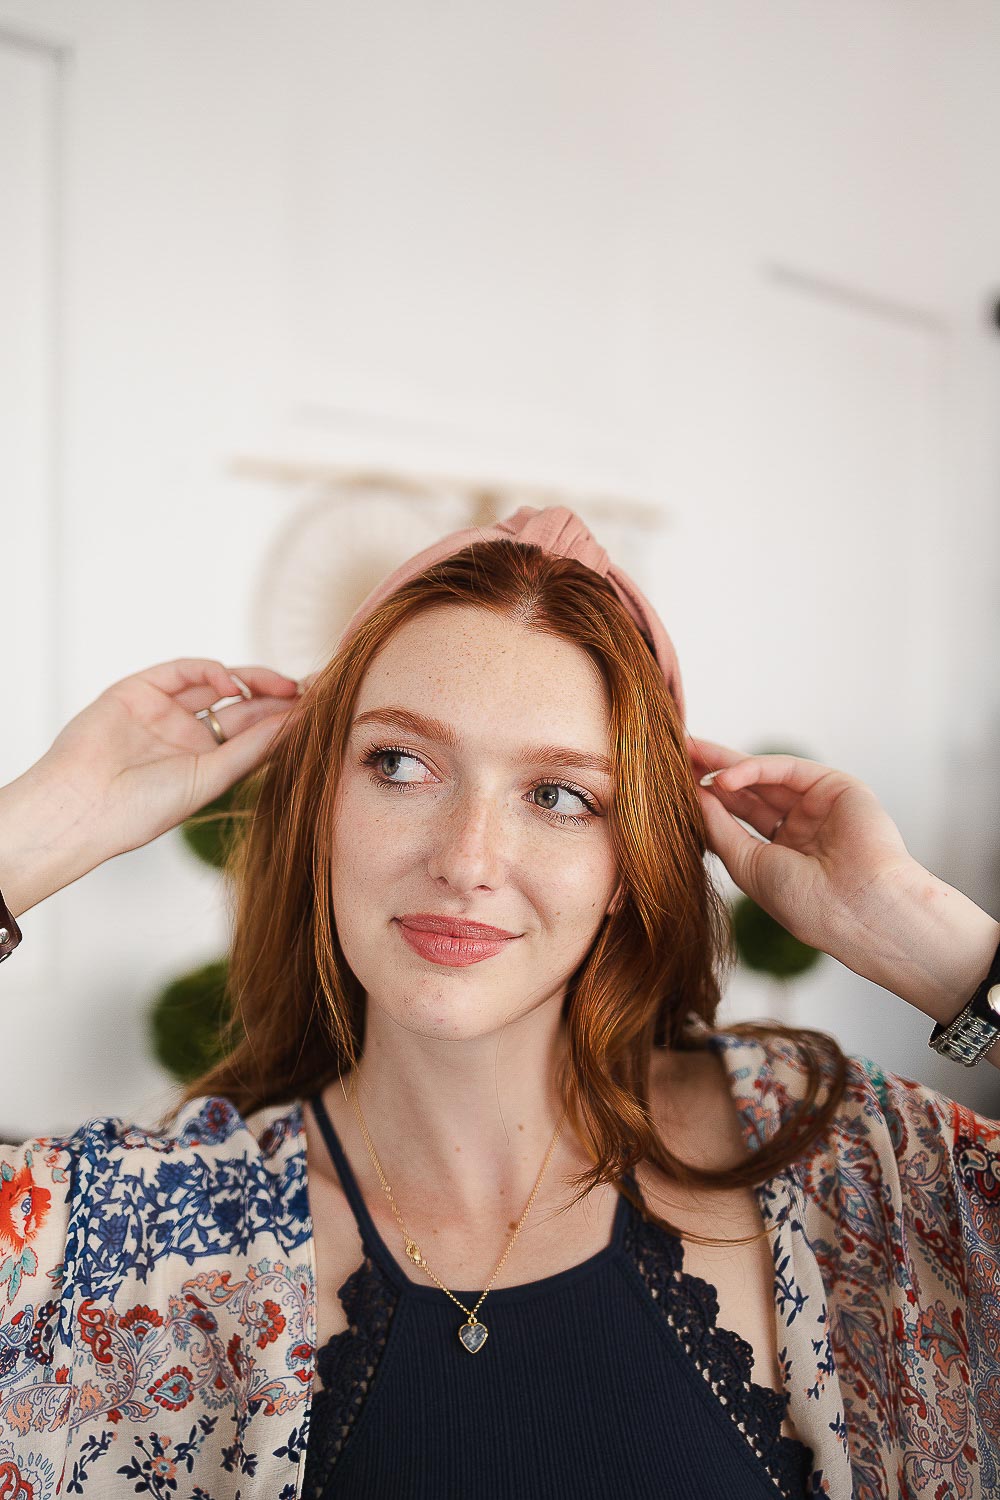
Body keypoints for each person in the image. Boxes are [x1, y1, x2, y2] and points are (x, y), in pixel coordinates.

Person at [0, 504, 997, 1500]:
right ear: (321, 810)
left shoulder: (846, 1161)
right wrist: (46, 824)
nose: (466, 861)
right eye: (399, 764)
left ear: (627, 860)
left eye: (560, 795)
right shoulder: (131, 1244)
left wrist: (922, 934)